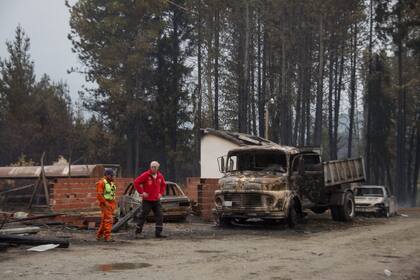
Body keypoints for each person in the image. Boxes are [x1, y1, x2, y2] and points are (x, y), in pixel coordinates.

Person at [134, 161, 167, 238]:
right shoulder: (146, 175)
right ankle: (138, 233)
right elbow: (136, 182)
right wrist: (142, 192)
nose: (153, 168)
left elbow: (163, 185)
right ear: (150, 167)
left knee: (160, 216)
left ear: (158, 168)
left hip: (156, 200)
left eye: (155, 167)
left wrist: (160, 193)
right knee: (143, 216)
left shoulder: (160, 176)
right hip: (147, 200)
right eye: (152, 167)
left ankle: (158, 233)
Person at [96, 169, 117, 242]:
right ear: (107, 175)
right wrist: (105, 203)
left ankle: (99, 235)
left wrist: (114, 205)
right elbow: (99, 195)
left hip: (111, 203)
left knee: (104, 220)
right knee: (109, 220)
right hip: (105, 203)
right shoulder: (101, 183)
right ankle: (107, 237)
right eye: (112, 175)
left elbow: (111, 194)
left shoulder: (111, 182)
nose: (113, 177)